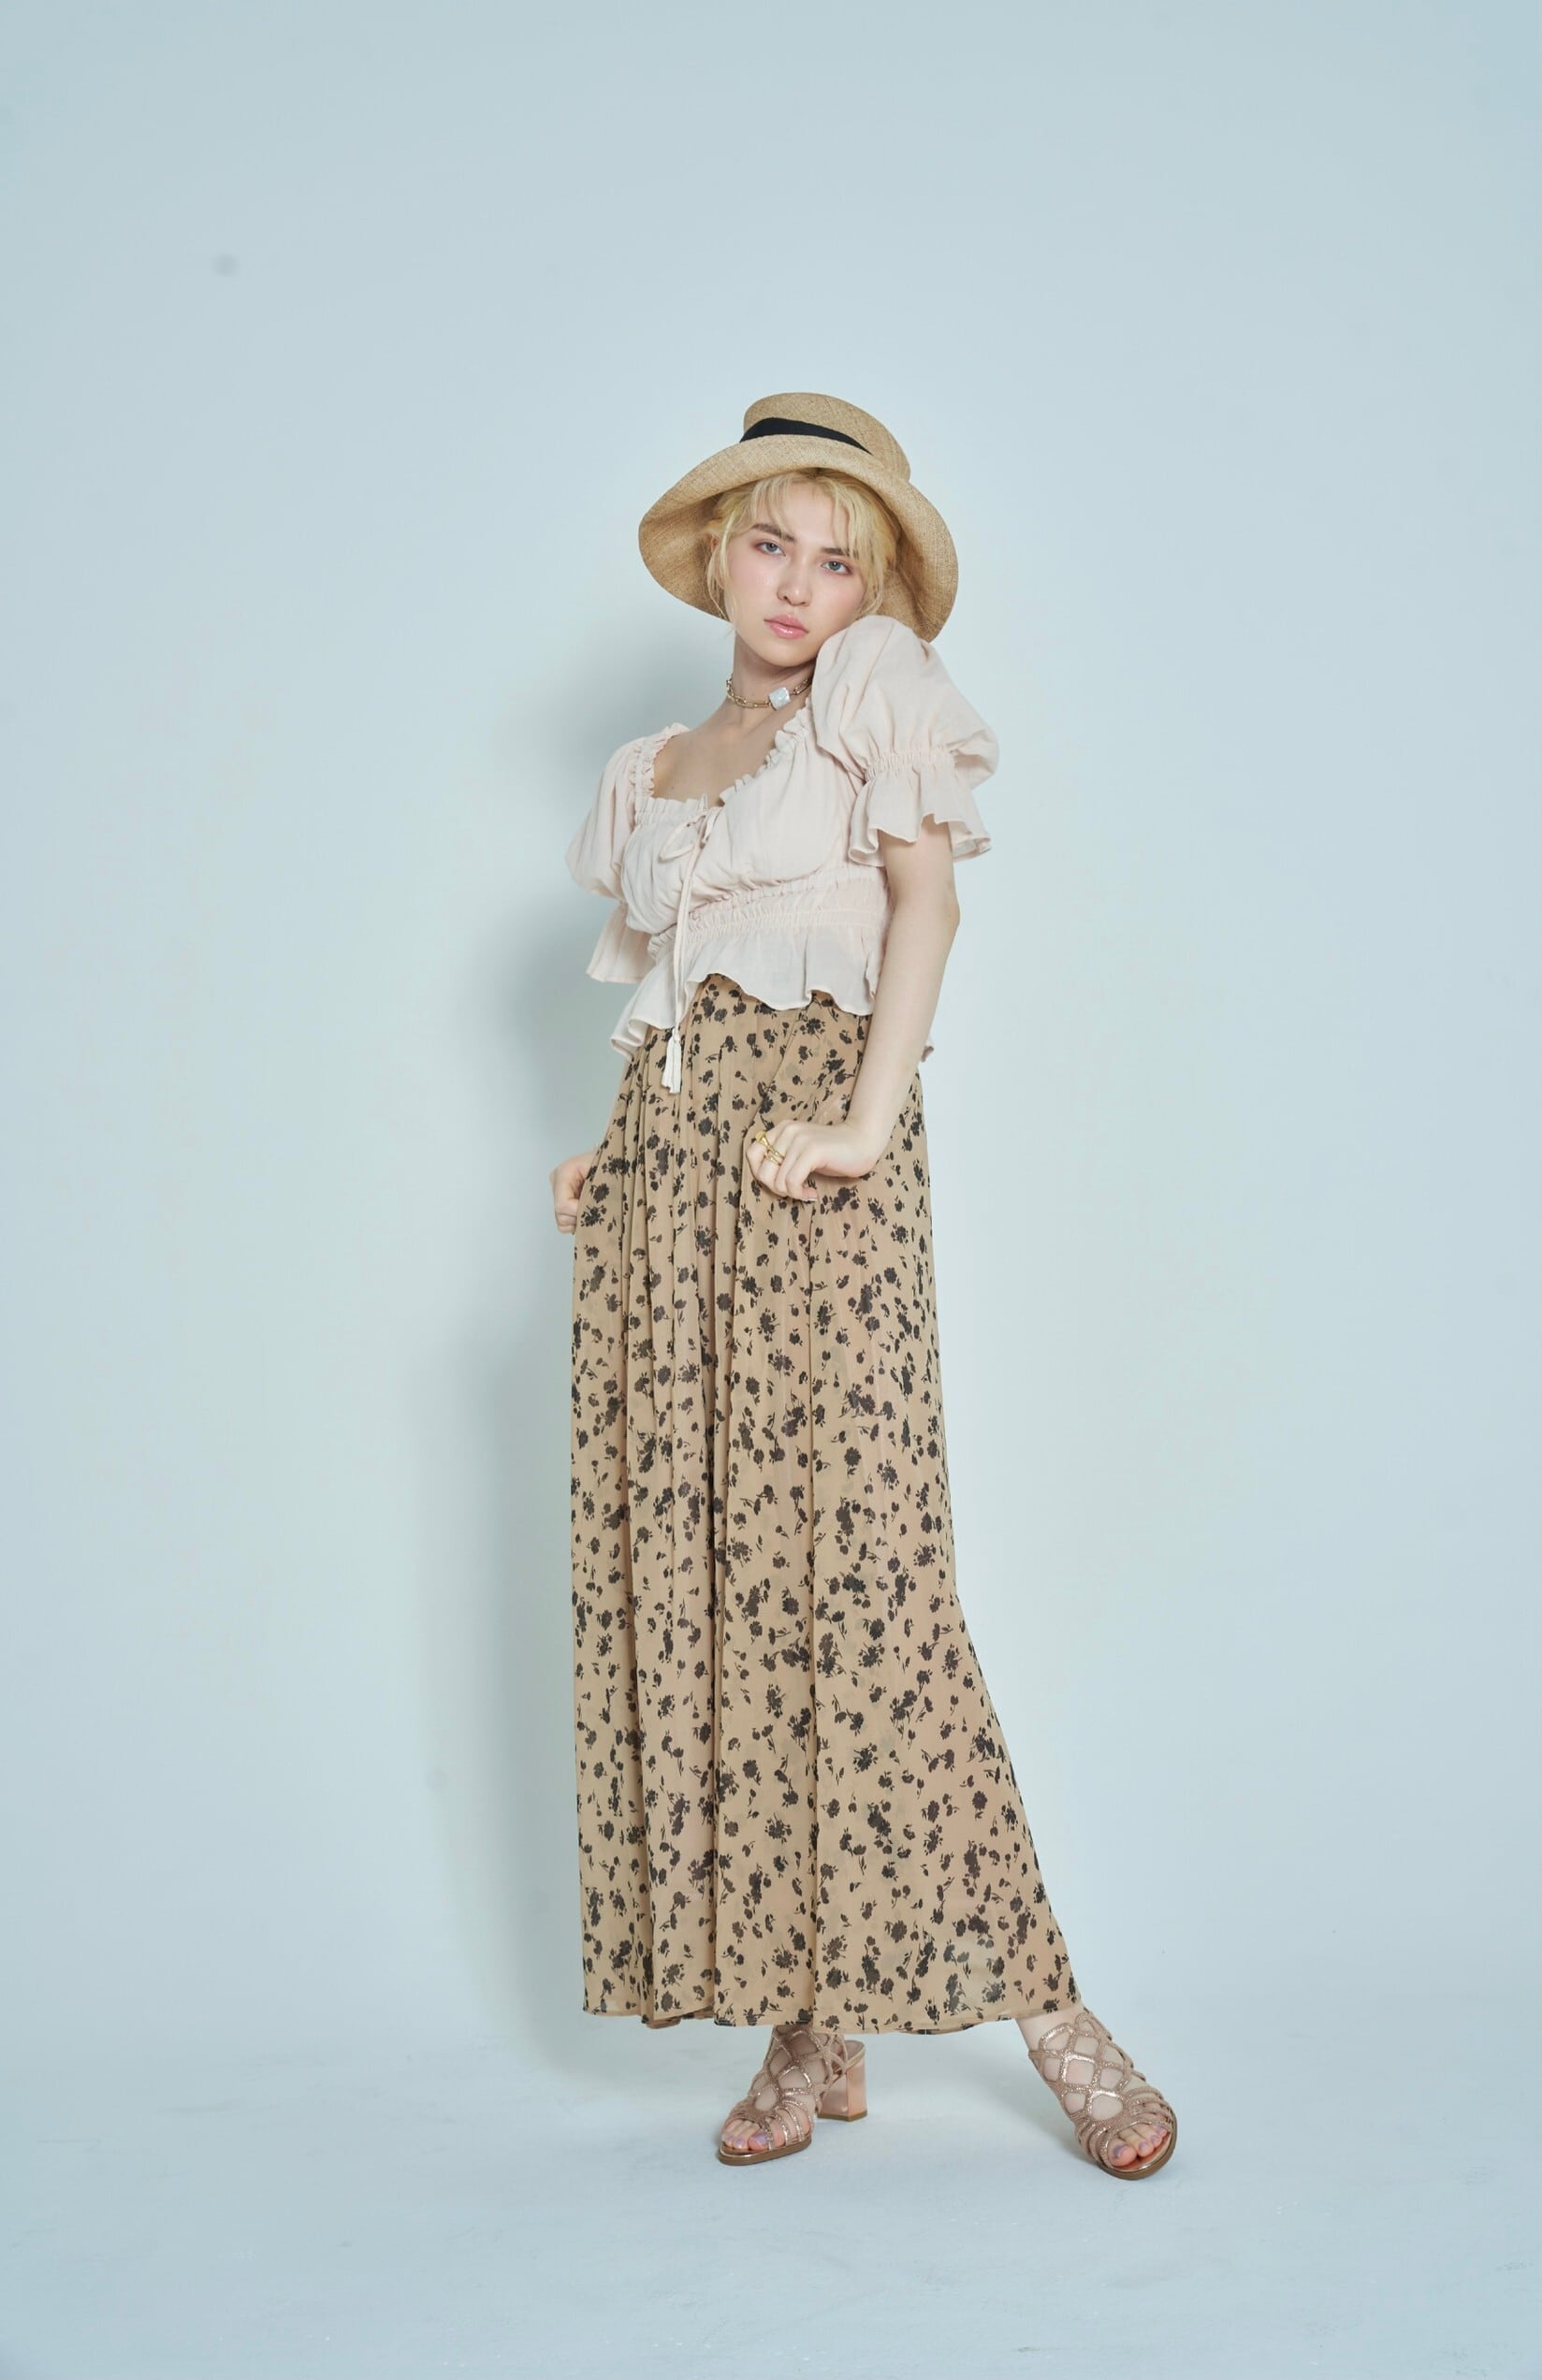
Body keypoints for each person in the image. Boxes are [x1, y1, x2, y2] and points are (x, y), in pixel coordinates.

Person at [549, 392, 1176, 2178]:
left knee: (871, 1592)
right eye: (770, 543)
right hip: (668, 1197)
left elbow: (924, 910)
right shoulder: (655, 764)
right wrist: (606, 1151)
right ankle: (801, 2024)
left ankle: (1059, 2019)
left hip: (816, 1167)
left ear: (872, 586)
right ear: (718, 556)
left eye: (836, 559)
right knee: (729, 1590)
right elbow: (677, 993)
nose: (797, 584)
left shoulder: (873, 695)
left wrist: (865, 1121)